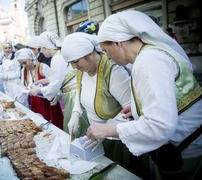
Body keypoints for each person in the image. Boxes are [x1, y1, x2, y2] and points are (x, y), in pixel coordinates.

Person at [94, 10, 202, 179]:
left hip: (187, 150)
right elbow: (171, 94)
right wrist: (139, 107)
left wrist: (109, 129)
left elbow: (160, 125)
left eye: (106, 50)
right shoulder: (150, 54)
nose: (108, 58)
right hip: (187, 143)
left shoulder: (149, 61)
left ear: (118, 43)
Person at [61, 32, 147, 176]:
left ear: (89, 54)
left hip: (118, 139)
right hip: (96, 134)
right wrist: (76, 113)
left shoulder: (114, 72)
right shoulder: (82, 70)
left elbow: (131, 110)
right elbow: (80, 92)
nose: (74, 67)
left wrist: (106, 130)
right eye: (71, 63)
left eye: (76, 62)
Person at [29, 31, 76, 130]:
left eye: (41, 47)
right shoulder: (59, 55)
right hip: (72, 94)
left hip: (73, 96)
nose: (40, 51)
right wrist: (45, 81)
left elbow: (55, 85)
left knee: (73, 128)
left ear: (47, 46)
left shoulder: (57, 58)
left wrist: (38, 91)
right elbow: (61, 78)